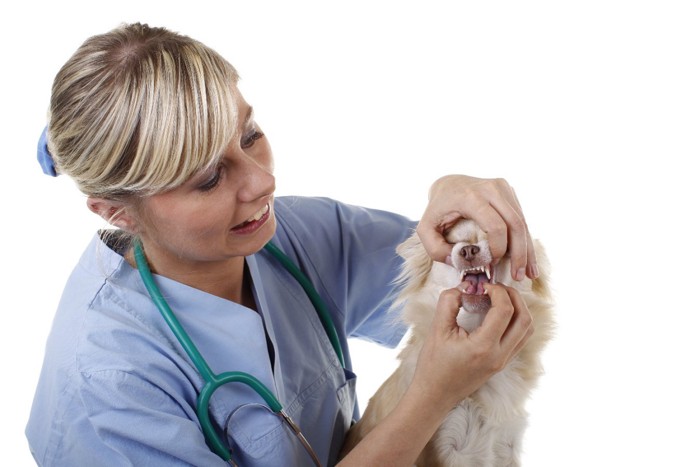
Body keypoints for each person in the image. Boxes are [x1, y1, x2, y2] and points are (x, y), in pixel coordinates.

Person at [26, 23, 537, 466]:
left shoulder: (295, 236)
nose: (262, 184)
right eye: (208, 178)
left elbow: (471, 278)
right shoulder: (105, 390)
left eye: (249, 135)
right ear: (115, 211)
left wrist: (451, 194)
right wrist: (430, 396)